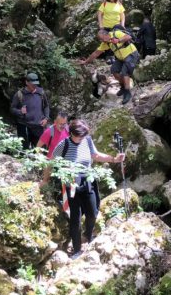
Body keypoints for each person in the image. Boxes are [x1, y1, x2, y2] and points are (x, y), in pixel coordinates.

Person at [50, 119, 125, 259]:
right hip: (71, 184)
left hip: (88, 181)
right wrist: (45, 180)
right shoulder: (63, 145)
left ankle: (88, 235)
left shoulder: (87, 140)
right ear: (71, 133)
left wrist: (114, 159)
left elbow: (95, 156)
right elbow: (51, 162)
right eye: (80, 136)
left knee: (93, 211)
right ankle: (77, 249)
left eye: (84, 135)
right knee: (75, 218)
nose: (82, 138)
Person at [80, 27, 139, 104]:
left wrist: (118, 40)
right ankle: (123, 86)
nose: (101, 41)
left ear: (106, 34)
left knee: (125, 72)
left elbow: (128, 37)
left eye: (102, 38)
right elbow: (96, 53)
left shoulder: (116, 33)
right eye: (100, 40)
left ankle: (127, 92)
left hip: (131, 54)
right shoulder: (106, 43)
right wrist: (86, 62)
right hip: (120, 58)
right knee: (114, 70)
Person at [10, 72, 50, 150]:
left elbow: (46, 106)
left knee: (39, 150)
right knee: (24, 149)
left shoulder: (41, 92)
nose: (34, 86)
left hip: (38, 126)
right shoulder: (19, 94)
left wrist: (46, 118)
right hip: (24, 126)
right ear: (26, 82)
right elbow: (12, 109)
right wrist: (20, 112)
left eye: (36, 84)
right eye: (32, 84)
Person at [37, 111, 69, 187]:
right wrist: (43, 160)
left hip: (65, 162)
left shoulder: (68, 130)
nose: (62, 126)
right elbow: (38, 147)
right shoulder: (49, 132)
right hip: (50, 163)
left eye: (64, 124)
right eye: (60, 124)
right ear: (55, 122)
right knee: (46, 183)